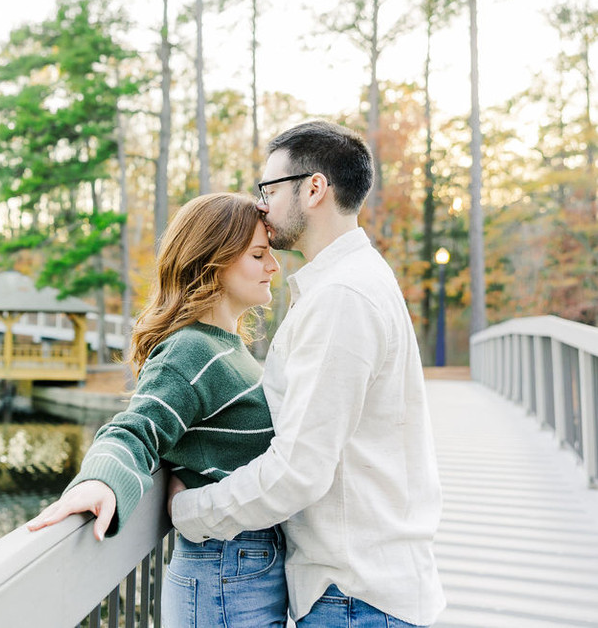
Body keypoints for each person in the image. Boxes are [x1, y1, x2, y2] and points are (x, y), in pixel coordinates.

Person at [169, 120, 446, 628]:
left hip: (358, 598)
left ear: (314, 188)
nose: (261, 206)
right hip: (365, 591)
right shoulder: (351, 281)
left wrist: (190, 512)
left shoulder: (342, 297)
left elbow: (298, 471)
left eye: (268, 189)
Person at [27, 192, 288, 628]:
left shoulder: (228, 348)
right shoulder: (190, 349)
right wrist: (101, 481)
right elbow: (135, 430)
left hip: (248, 564)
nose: (273, 266)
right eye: (258, 254)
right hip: (225, 569)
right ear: (213, 261)